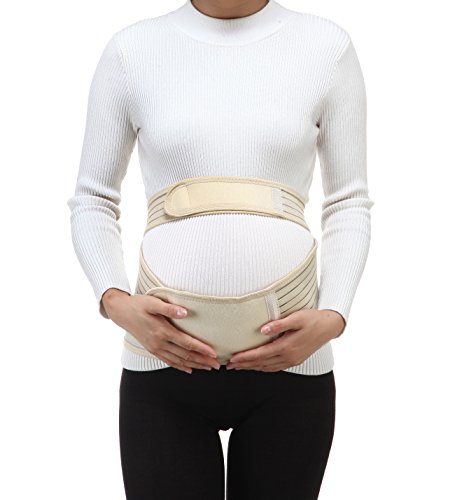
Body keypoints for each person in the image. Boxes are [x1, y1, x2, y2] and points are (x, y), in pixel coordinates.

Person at [66, 0, 374, 498]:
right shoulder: (132, 50)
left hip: (293, 368)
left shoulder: (326, 47)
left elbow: (348, 201)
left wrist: (334, 316)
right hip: (162, 366)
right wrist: (116, 302)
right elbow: (92, 198)